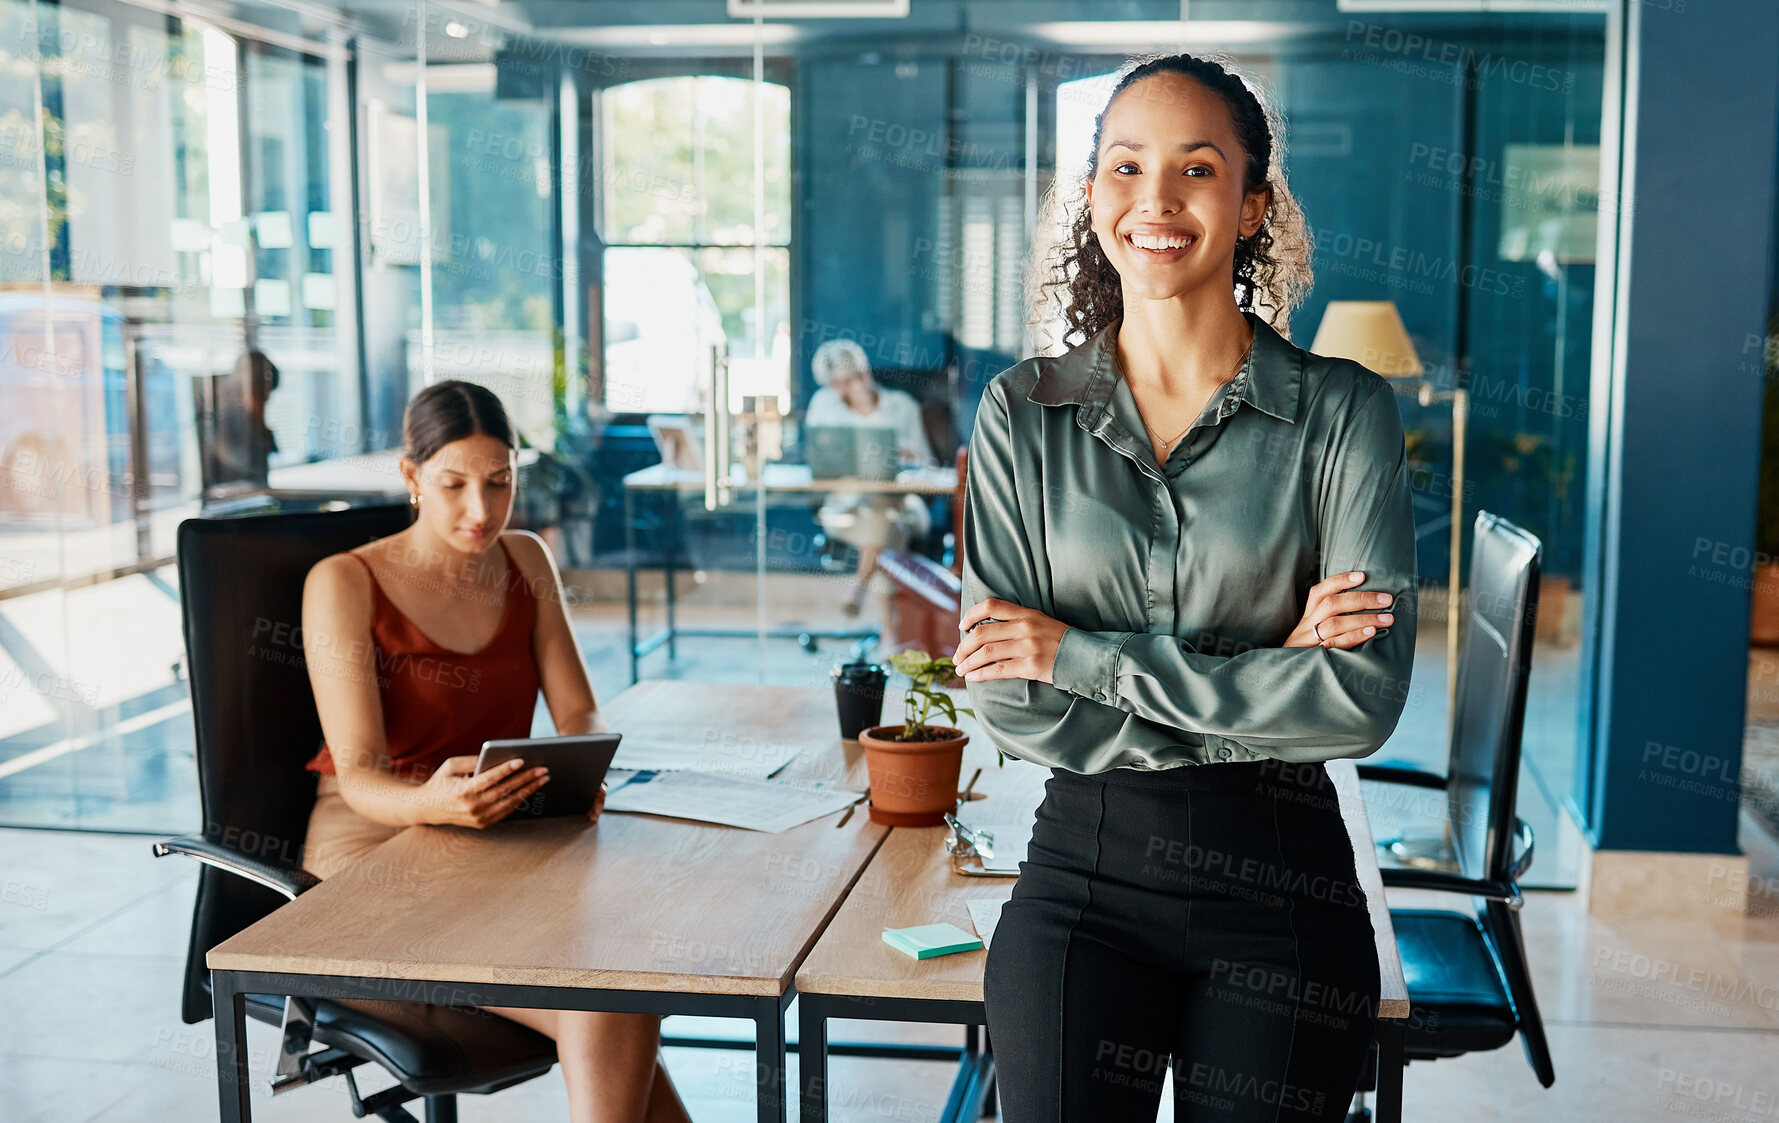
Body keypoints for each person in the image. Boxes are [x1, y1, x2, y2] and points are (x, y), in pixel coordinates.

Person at [952, 53, 1418, 1122]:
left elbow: (1358, 701)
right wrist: (1270, 674)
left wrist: (1078, 654)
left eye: (1197, 169)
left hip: (1284, 891)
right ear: (1094, 195)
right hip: (1085, 880)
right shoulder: (1023, 414)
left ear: (1254, 204)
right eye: (1124, 167)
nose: (1155, 200)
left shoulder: (1342, 416)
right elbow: (1014, 707)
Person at [300, 380, 691, 1123]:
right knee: (609, 1001)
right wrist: (431, 802)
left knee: (621, 986)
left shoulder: (526, 561)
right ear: (411, 477)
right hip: (372, 857)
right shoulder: (344, 582)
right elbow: (358, 774)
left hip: (493, 841)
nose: (481, 510)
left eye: (499, 483)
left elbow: (577, 709)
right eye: (453, 485)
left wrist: (581, 769)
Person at [805, 338, 936, 614]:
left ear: (864, 373)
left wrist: (904, 457)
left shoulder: (902, 406)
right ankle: (889, 631)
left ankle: (860, 584)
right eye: (834, 384)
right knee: (888, 526)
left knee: (885, 510)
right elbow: (816, 458)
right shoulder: (824, 404)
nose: (840, 391)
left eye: (846, 381)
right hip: (846, 507)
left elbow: (929, 465)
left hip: (903, 502)